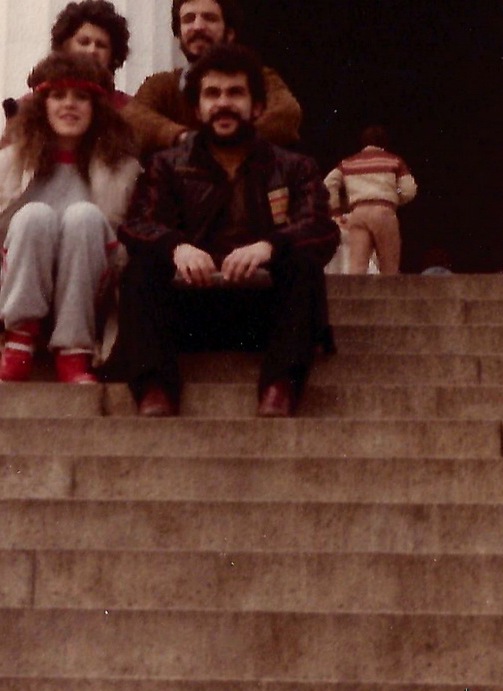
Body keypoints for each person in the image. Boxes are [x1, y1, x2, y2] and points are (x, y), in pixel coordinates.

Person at [111, 43, 337, 417]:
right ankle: (154, 388)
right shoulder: (166, 166)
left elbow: (321, 229)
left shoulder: (295, 167)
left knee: (302, 265)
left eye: (235, 93)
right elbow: (137, 225)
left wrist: (269, 245)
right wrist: (176, 247)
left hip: (263, 312)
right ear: (198, 109)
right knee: (140, 270)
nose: (223, 103)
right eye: (212, 94)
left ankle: (281, 387)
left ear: (257, 107)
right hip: (190, 307)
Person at [0, 51, 142, 384]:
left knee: (83, 218)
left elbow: (133, 250)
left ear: (98, 107)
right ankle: (18, 345)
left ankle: (74, 353)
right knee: (34, 216)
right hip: (13, 303)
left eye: (81, 97)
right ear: (41, 105)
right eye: (58, 95)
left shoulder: (125, 170)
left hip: (89, 303)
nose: (69, 105)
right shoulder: (5, 165)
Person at [124, 0, 304, 153]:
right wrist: (184, 138)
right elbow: (132, 119)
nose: (198, 26)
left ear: (230, 32)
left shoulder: (260, 77)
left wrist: (225, 143)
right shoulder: (160, 85)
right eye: (188, 19)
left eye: (209, 18)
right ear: (178, 33)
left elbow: (286, 114)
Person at [1, 0, 135, 129]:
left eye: (101, 45)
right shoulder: (30, 105)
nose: (92, 50)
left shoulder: (128, 108)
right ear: (65, 46)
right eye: (84, 42)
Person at [324, 125, 417, 275]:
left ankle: (355, 297)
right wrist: (393, 197)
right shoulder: (394, 161)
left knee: (356, 267)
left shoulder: (348, 162)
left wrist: (336, 211)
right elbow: (409, 190)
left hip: (358, 212)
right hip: (384, 211)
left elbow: (328, 184)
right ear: (385, 143)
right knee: (389, 266)